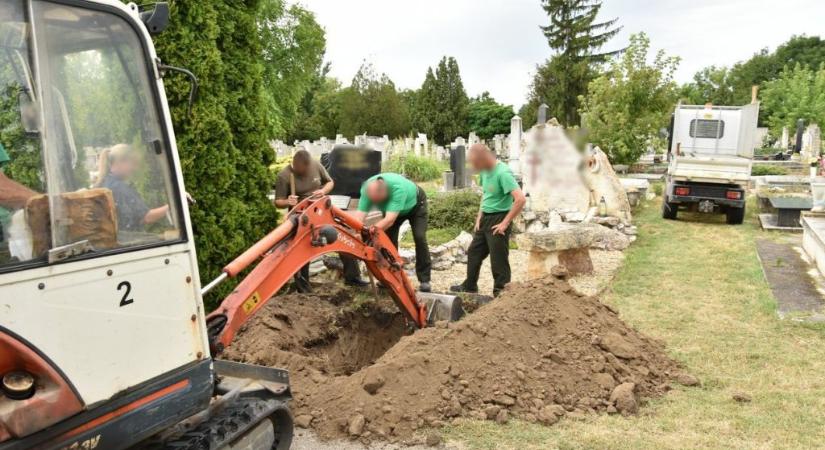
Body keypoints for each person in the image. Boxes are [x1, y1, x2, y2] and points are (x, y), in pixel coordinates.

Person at [274, 149, 368, 293]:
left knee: (342, 238)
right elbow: (277, 202)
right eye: (301, 171)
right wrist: (287, 201)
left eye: (307, 170)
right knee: (302, 250)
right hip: (301, 218)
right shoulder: (284, 176)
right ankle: (303, 289)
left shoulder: (316, 165)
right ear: (295, 165)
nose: (305, 173)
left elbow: (330, 182)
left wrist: (323, 191)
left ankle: (353, 277)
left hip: (322, 212)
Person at [451, 144, 525, 297]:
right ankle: (470, 285)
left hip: (499, 218)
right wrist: (480, 215)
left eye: (475, 163)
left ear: (484, 159)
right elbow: (486, 194)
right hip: (485, 218)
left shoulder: (503, 173)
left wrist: (505, 223)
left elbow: (520, 199)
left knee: (498, 260)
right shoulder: (484, 172)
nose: (473, 167)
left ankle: (501, 293)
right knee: (473, 252)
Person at [350, 173, 431, 292]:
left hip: (416, 207)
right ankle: (391, 277)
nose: (375, 203)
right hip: (392, 211)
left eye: (377, 201)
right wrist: (357, 232)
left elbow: (389, 220)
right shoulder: (367, 189)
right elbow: (359, 217)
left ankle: (424, 280)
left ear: (385, 193)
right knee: (388, 242)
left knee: (419, 237)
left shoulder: (397, 189)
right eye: (373, 201)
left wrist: (369, 232)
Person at [96, 144, 169, 232]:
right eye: (133, 163)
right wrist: (171, 207)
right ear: (120, 162)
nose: (134, 168)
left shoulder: (105, 183)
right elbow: (146, 217)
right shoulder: (119, 188)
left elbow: (137, 218)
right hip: (126, 241)